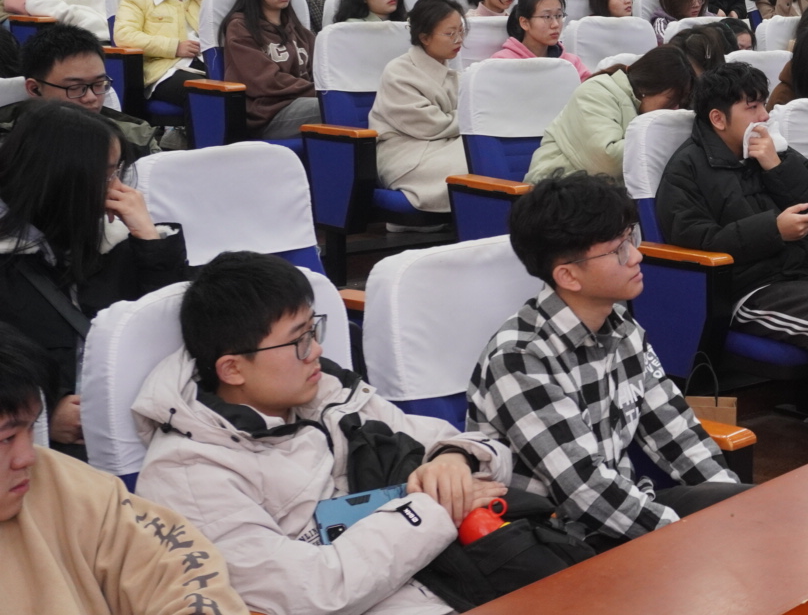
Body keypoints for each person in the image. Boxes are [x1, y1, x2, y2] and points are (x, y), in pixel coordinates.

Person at [134, 252, 511, 615]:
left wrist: (453, 459)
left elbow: (482, 450)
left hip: (450, 582)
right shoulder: (188, 475)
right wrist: (434, 508)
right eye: (298, 340)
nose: (316, 349)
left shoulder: (329, 394)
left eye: (313, 329)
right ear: (232, 369)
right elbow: (313, 593)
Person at [467, 174, 746, 550]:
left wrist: (737, 510)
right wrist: (685, 535)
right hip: (551, 539)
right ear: (568, 275)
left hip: (621, 513)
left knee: (755, 515)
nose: (637, 255)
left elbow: (676, 432)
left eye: (631, 238)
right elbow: (583, 490)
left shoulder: (624, 329)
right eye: (618, 250)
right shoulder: (520, 359)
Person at [658, 63, 808, 442]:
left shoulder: (773, 149)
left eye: (764, 105)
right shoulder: (686, 169)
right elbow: (697, 240)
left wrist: (776, 166)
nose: (764, 115)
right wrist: (774, 230)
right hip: (750, 287)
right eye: (753, 107)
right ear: (718, 119)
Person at [0, 325, 251, 614]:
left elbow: (179, 571)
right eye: (6, 438)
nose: (27, 457)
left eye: (32, 427)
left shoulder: (64, 485)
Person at [0, 101, 187, 453]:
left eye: (117, 173)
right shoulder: (10, 259)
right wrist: (43, 412)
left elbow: (166, 331)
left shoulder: (111, 238)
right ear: (59, 179)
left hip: (136, 422)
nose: (116, 190)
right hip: (35, 445)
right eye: (104, 176)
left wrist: (149, 238)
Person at [525, 47, 692, 182]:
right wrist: (664, 139)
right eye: (671, 100)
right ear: (650, 86)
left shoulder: (636, 104)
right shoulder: (596, 92)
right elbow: (607, 160)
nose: (674, 108)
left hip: (602, 193)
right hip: (557, 188)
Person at [369, 0, 468, 214]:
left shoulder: (452, 71)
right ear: (424, 37)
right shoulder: (398, 72)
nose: (459, 39)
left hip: (442, 145)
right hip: (405, 153)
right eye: (450, 34)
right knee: (475, 162)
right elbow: (430, 125)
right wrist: (466, 120)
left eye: (461, 31)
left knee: (484, 152)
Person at [0, 25, 158, 152]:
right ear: (34, 89)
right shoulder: (10, 148)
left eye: (98, 84)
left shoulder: (137, 140)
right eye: (75, 87)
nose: (91, 98)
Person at [221, 0, 320, 139]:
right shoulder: (240, 28)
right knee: (333, 107)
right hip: (268, 114)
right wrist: (321, 93)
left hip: (302, 100)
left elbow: (321, 69)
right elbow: (266, 81)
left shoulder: (297, 29)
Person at [113, 0, 207, 113]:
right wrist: (174, 47)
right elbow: (124, 36)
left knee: (243, 87)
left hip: (206, 63)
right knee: (204, 94)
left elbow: (223, 27)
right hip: (165, 71)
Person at [489, 0, 590, 79]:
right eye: (547, 17)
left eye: (559, 16)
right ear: (524, 23)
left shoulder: (572, 63)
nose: (555, 24)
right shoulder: (502, 63)